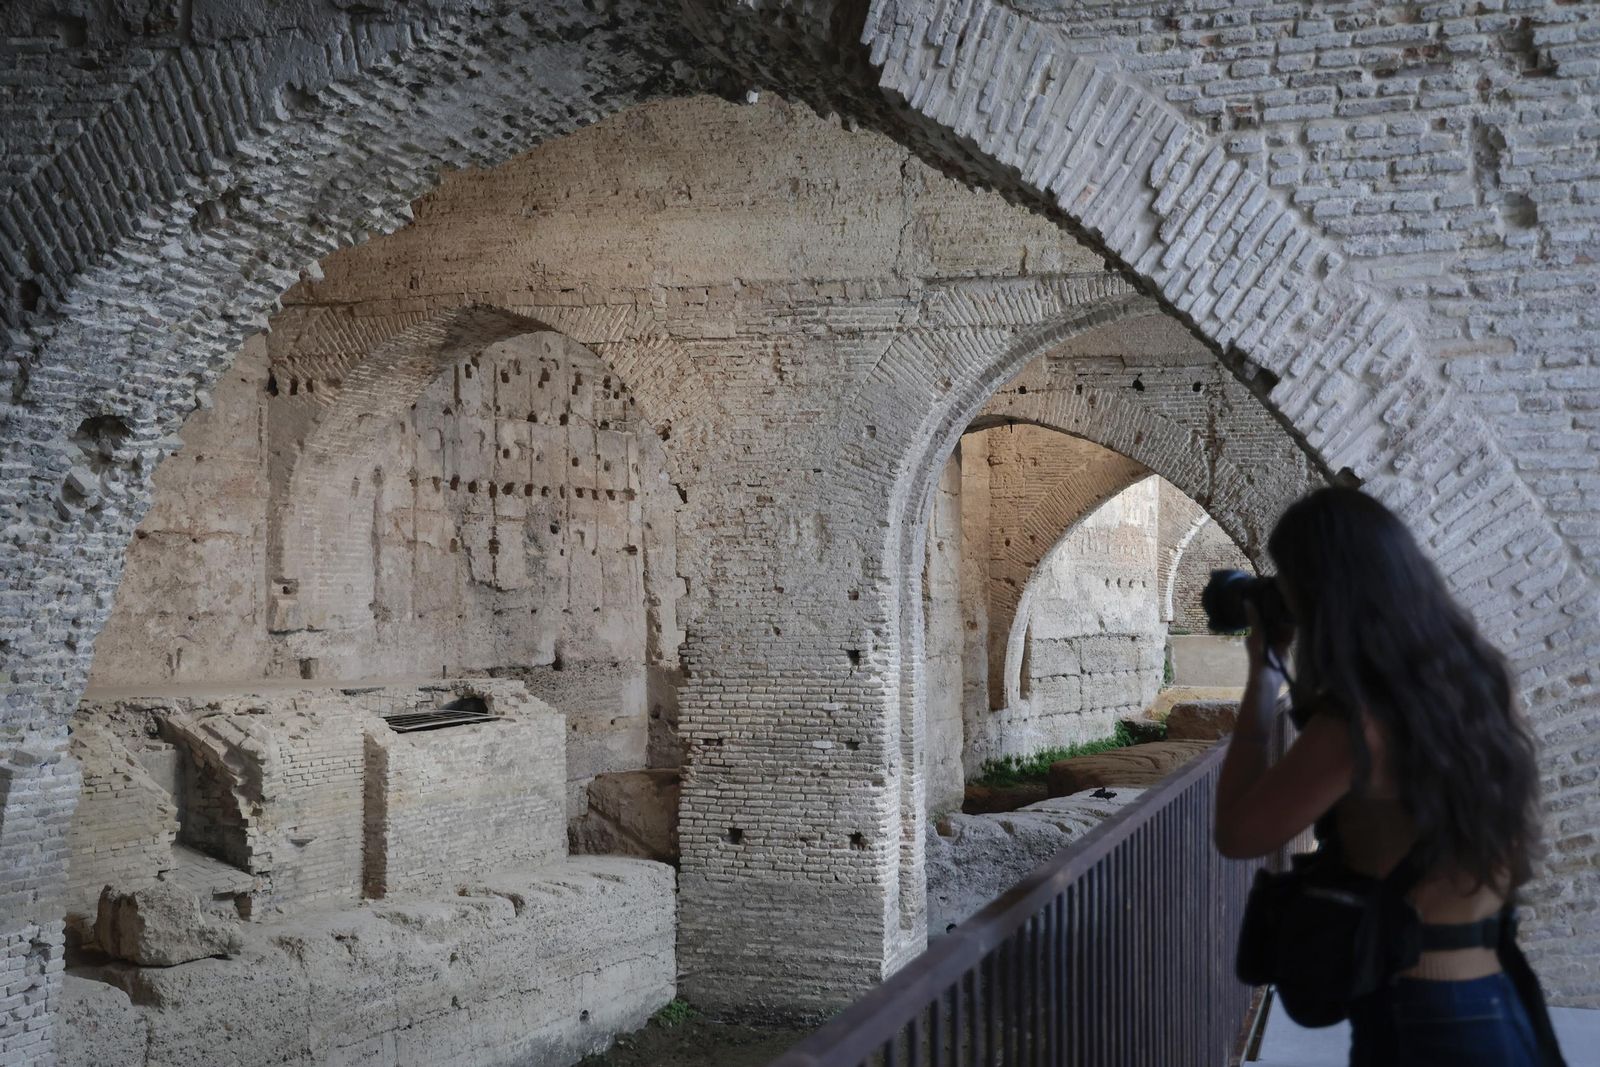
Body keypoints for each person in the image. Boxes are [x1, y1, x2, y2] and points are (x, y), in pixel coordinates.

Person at [1212, 486, 1561, 1066]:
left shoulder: (1361, 722)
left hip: (1421, 1011)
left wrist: (1263, 679)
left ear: (1320, 597)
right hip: (1494, 990)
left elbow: (1237, 834)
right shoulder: (1479, 684)